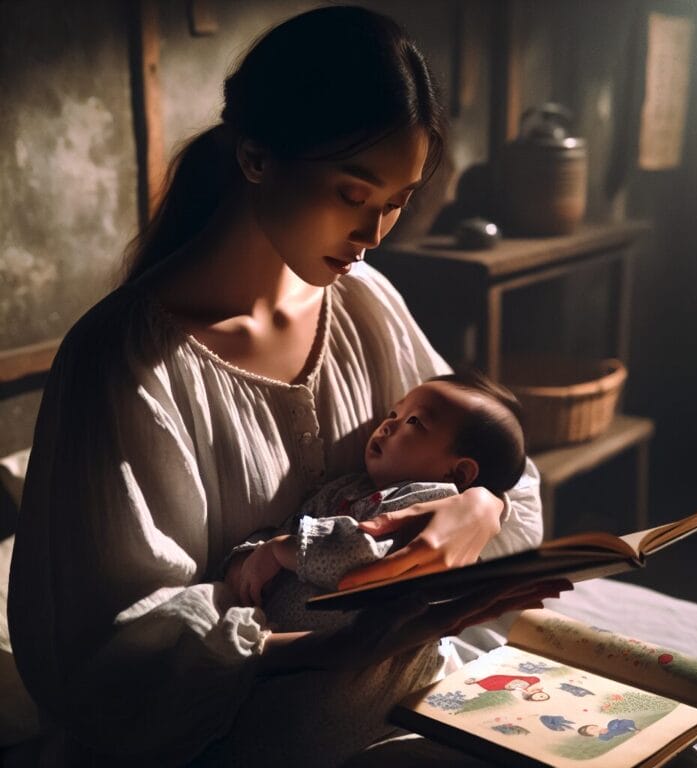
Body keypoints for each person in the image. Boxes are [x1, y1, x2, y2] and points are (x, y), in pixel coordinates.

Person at [9, 6, 566, 765]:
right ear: (256, 159)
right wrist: (327, 651)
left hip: (378, 688)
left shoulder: (365, 302)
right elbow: (107, 654)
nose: (374, 233)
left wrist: (478, 503)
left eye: (398, 199)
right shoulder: (125, 364)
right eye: (352, 194)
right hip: (226, 730)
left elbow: (502, 473)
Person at [225, 370, 528, 632]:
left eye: (414, 422)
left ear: (459, 473)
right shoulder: (346, 487)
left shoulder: (431, 502)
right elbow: (293, 524)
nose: (388, 425)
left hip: (369, 658)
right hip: (290, 641)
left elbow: (360, 557)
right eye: (393, 414)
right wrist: (249, 557)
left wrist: (278, 551)